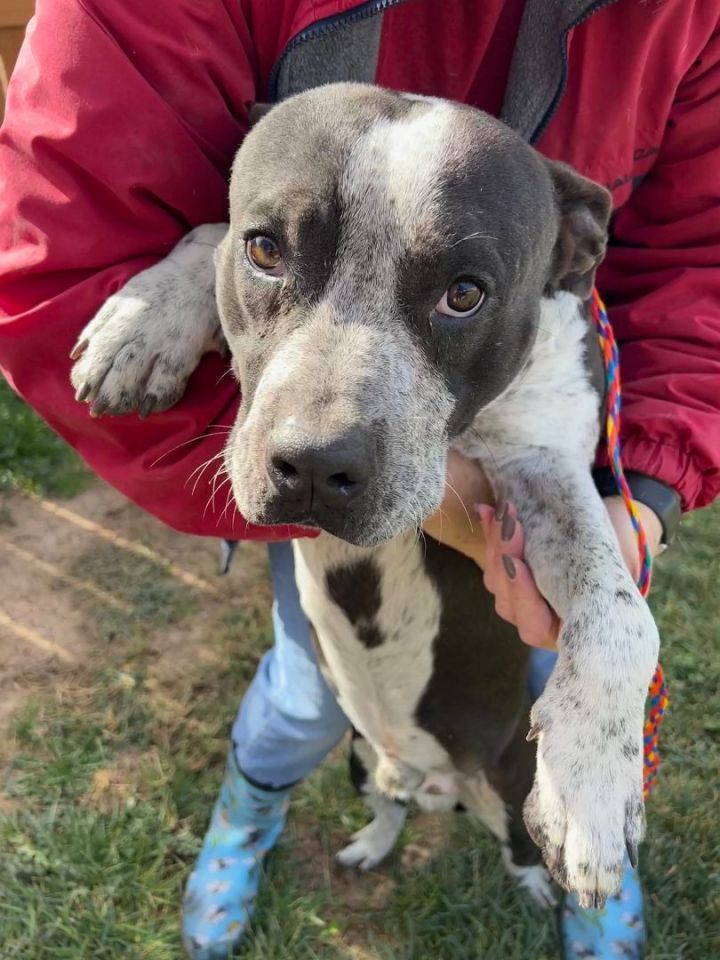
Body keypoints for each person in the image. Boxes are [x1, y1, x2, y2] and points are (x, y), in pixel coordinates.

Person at [1, 2, 719, 958]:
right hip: (315, 548)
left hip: (508, 551)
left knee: (535, 706)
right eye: (262, 251)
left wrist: (645, 510)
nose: (326, 425)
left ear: (572, 254)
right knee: (303, 697)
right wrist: (191, 272)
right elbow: (76, 235)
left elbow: (697, 268)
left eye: (461, 291)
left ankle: (583, 859)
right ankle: (246, 820)